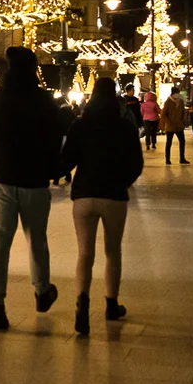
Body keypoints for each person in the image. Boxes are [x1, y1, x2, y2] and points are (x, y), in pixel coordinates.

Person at [0, 46, 62, 331]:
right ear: (34, 69)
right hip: (35, 182)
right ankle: (42, 291)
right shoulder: (44, 100)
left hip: (2, 182)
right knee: (37, 239)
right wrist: (50, 168)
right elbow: (57, 137)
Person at [61, 78, 144, 336]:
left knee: (85, 253)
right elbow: (136, 164)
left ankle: (82, 305)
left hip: (85, 195)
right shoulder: (125, 127)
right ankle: (110, 304)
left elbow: (66, 160)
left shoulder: (80, 124)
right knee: (112, 251)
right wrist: (122, 181)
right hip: (114, 196)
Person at [159, 86, 190, 165]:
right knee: (169, 143)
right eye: (177, 93)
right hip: (170, 126)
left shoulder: (181, 102)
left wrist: (183, 121)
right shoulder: (168, 102)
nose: (178, 94)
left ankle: (182, 158)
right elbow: (163, 114)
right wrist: (168, 122)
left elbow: (183, 112)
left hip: (179, 126)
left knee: (182, 141)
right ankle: (167, 159)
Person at [52, 100, 77, 186]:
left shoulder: (59, 113)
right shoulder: (72, 113)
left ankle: (56, 178)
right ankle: (68, 175)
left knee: (59, 156)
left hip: (61, 136)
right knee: (66, 156)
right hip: (69, 136)